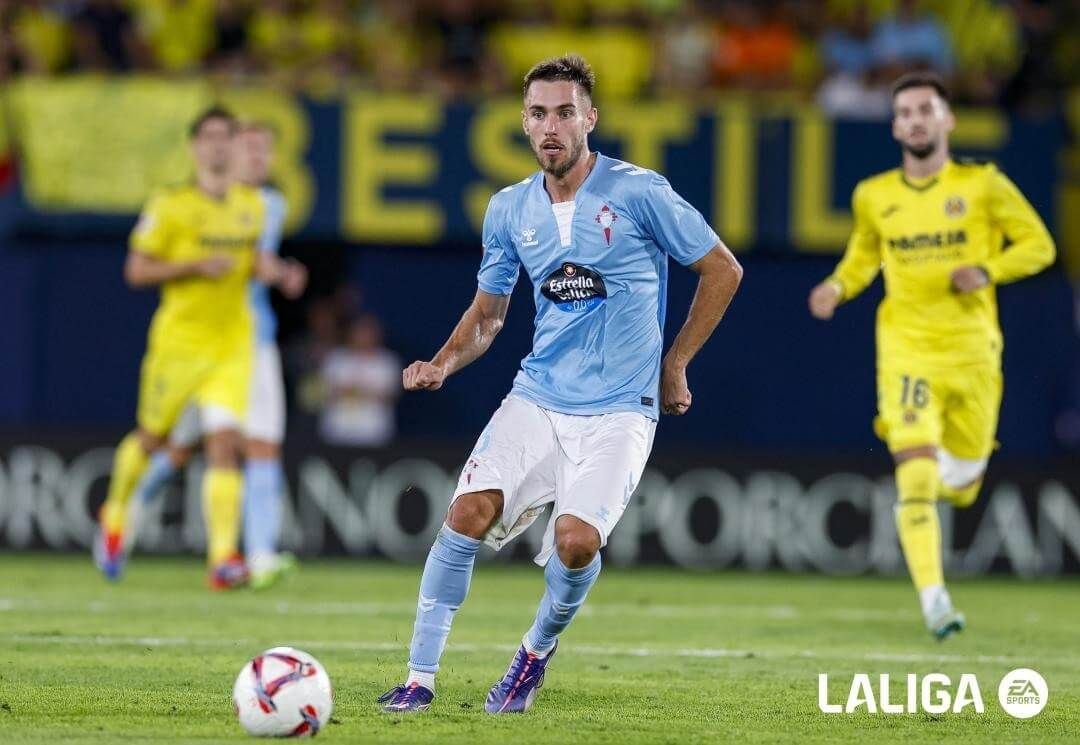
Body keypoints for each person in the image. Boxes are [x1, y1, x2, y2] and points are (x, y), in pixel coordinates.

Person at [378, 54, 742, 714]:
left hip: (620, 411)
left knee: (576, 543)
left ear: (590, 120)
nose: (552, 126)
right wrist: (442, 362)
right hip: (538, 396)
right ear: (523, 123)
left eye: (565, 112)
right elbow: (489, 317)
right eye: (540, 113)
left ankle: (532, 655)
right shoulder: (509, 209)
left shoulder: (640, 192)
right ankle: (418, 679)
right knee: (465, 513)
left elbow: (722, 269)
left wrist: (676, 361)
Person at [808, 72, 1055, 639]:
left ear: (946, 119)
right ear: (896, 126)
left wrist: (988, 270)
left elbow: (1041, 245)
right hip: (907, 352)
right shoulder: (875, 196)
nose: (916, 120)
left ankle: (954, 489)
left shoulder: (984, 185)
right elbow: (863, 257)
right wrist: (838, 287)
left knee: (964, 480)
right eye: (906, 112)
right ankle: (935, 600)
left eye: (926, 109)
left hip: (973, 354)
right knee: (915, 475)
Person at [94, 107, 291, 590]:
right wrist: (195, 266)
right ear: (195, 147)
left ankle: (223, 557)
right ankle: (116, 510)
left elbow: (255, 263)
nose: (219, 146)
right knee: (151, 439)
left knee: (224, 444)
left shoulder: (252, 206)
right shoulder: (170, 205)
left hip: (231, 345)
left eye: (226, 137)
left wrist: (280, 273)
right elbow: (137, 271)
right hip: (179, 345)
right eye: (210, 137)